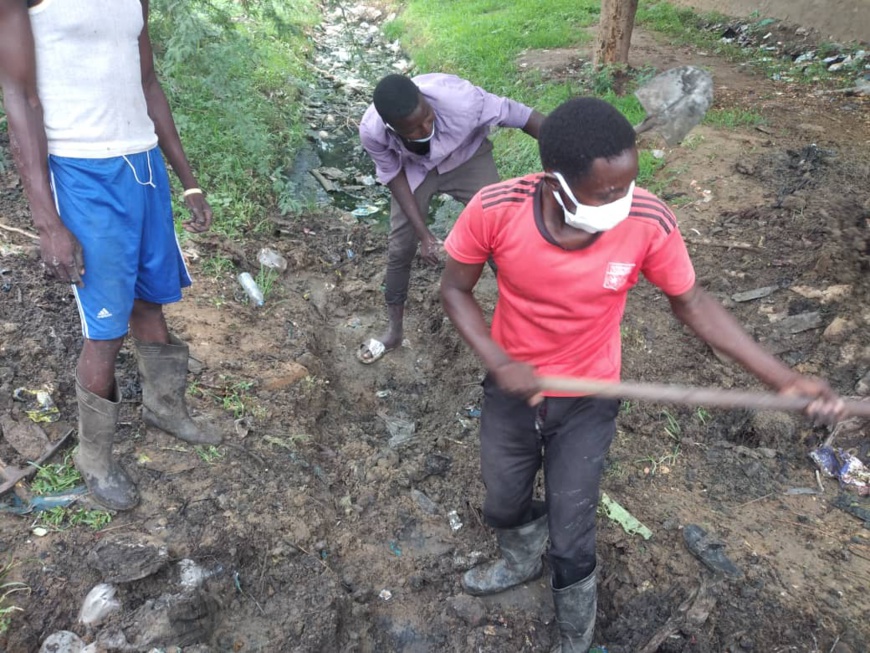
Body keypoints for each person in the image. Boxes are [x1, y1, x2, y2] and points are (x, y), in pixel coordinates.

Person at [440, 97, 843, 653]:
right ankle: (518, 559)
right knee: (504, 502)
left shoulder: (648, 219)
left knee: (572, 526)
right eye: (607, 192)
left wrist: (784, 379)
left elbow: (693, 303)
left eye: (629, 185)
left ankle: (575, 635)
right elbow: (454, 290)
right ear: (555, 183)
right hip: (513, 389)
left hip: (591, 396)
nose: (622, 201)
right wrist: (499, 360)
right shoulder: (495, 208)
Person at [0, 0, 221, 511]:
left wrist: (189, 183)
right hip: (82, 171)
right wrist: (47, 220)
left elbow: (147, 83)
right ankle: (94, 460)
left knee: (150, 299)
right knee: (106, 323)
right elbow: (21, 96)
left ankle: (166, 409)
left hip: (141, 164)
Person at [356, 72, 545, 364]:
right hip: (414, 171)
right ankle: (394, 331)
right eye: (415, 129)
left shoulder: (461, 100)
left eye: (428, 118)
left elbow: (520, 115)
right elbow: (393, 175)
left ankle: (524, 323)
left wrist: (566, 145)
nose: (425, 127)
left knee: (500, 236)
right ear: (394, 129)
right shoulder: (373, 131)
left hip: (467, 157)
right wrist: (424, 235)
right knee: (399, 248)